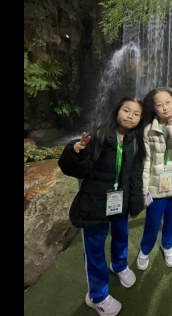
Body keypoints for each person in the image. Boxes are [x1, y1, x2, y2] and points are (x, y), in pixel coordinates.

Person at [57, 97, 146, 316]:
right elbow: (76, 170)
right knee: (95, 248)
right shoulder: (98, 136)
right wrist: (74, 151)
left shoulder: (135, 140)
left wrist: (135, 202)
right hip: (95, 203)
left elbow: (135, 174)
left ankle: (119, 264)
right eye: (127, 110)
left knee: (121, 235)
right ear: (117, 111)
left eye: (136, 114)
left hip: (120, 201)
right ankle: (97, 295)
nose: (131, 116)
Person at [136, 87, 172, 270]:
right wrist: (144, 190)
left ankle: (167, 246)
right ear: (153, 108)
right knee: (152, 222)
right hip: (156, 187)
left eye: (168, 102)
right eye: (159, 104)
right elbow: (146, 162)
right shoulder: (148, 131)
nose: (165, 107)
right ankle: (145, 249)